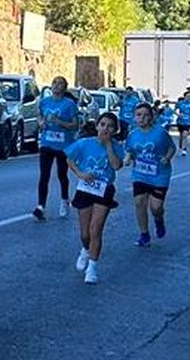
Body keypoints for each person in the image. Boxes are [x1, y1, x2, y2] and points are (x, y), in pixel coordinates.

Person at [65, 110, 124, 285]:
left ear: (115, 130)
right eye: (103, 124)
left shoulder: (116, 146)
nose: (106, 129)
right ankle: (85, 249)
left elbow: (116, 165)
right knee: (85, 234)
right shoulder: (84, 143)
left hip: (104, 189)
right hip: (85, 189)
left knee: (95, 230)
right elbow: (70, 159)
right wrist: (80, 174)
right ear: (97, 126)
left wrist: (108, 146)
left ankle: (92, 268)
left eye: (110, 126)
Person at [125, 102, 176, 246]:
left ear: (152, 117)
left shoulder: (161, 133)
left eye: (145, 115)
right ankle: (144, 234)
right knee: (139, 202)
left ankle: (159, 220)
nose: (142, 118)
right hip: (140, 174)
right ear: (134, 117)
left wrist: (167, 158)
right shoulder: (132, 135)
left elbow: (172, 148)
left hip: (159, 175)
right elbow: (130, 150)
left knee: (156, 207)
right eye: (139, 115)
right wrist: (128, 158)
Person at [33, 75, 80, 220]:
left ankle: (64, 200)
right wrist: (41, 122)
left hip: (63, 145)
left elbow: (75, 125)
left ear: (64, 88)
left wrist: (59, 122)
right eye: (54, 83)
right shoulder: (45, 101)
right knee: (44, 175)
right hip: (47, 143)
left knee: (61, 174)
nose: (56, 85)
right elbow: (39, 115)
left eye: (60, 84)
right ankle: (41, 206)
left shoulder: (69, 104)